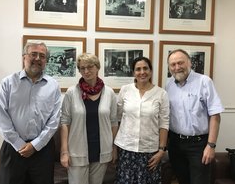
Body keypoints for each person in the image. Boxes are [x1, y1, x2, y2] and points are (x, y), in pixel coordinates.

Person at [0, 41, 61, 184]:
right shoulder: (8, 83)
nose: (37, 58)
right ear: (24, 57)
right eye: (33, 54)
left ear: (46, 61)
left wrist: (35, 145)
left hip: (42, 150)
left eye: (42, 56)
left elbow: (54, 120)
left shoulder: (53, 86)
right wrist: (19, 144)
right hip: (13, 149)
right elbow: (1, 117)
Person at [165, 49, 224, 184]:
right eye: (173, 65)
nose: (177, 67)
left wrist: (211, 145)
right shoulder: (168, 85)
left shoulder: (204, 82)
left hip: (198, 145)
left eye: (180, 63)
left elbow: (215, 115)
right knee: (182, 180)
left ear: (189, 63)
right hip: (175, 143)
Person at [60, 53, 118, 184]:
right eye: (82, 68)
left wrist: (114, 148)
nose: (86, 71)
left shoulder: (109, 93)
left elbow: (114, 122)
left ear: (97, 67)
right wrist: (64, 151)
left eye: (90, 67)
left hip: (102, 151)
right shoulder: (71, 92)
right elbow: (64, 122)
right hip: (77, 151)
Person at [114, 56, 170, 184]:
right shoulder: (125, 90)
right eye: (138, 69)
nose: (142, 72)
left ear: (150, 71)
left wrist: (162, 150)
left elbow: (164, 123)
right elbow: (117, 118)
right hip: (126, 149)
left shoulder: (161, 94)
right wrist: (113, 147)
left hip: (150, 151)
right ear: (133, 72)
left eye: (145, 68)